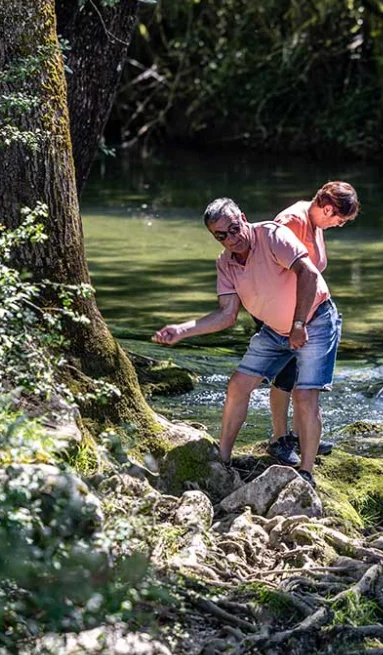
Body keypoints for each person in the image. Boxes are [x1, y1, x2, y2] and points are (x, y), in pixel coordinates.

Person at [152, 198, 342, 486]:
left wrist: (299, 324)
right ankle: (223, 458)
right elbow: (227, 315)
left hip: (314, 320)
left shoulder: (272, 235)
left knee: (304, 396)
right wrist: (181, 330)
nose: (231, 238)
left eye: (234, 228)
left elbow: (309, 274)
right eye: (221, 235)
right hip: (274, 330)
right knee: (238, 385)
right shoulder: (225, 263)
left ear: (243, 217)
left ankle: (306, 473)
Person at [266, 180, 359, 467]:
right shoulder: (293, 220)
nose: (340, 226)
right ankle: (279, 440)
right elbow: (273, 268)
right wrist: (293, 321)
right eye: (341, 220)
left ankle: (300, 436)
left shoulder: (315, 222)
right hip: (286, 314)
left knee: (300, 377)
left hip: (306, 313)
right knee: (285, 375)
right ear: (328, 209)